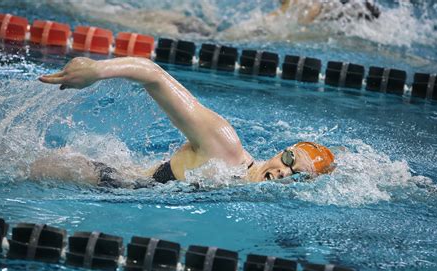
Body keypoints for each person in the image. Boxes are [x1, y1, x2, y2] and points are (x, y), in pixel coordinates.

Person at [34, 57, 334, 188]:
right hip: (91, 177)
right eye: (289, 159)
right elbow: (154, 75)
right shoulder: (225, 147)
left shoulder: (241, 186)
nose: (284, 172)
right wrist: (98, 70)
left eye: (297, 176)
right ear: (282, 150)